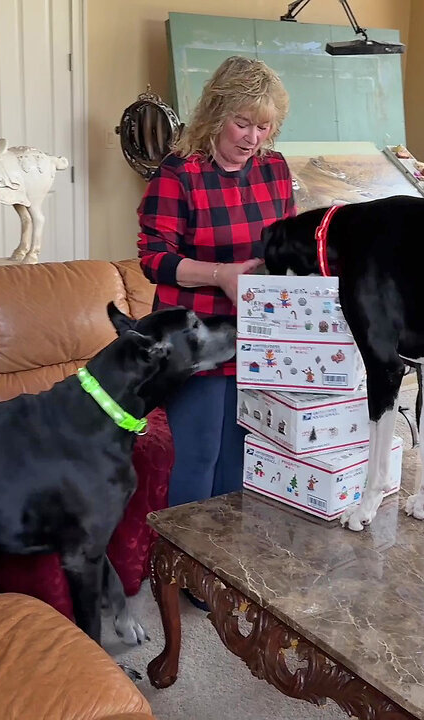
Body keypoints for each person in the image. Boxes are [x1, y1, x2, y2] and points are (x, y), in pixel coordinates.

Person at [137, 56, 294, 512]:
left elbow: (282, 245)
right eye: (242, 124)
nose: (252, 138)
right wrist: (219, 276)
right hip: (195, 336)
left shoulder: (275, 169)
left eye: (264, 127)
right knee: (197, 458)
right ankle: (182, 572)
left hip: (256, 333)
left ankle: (222, 575)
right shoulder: (179, 172)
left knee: (243, 455)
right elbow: (153, 258)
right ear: (216, 114)